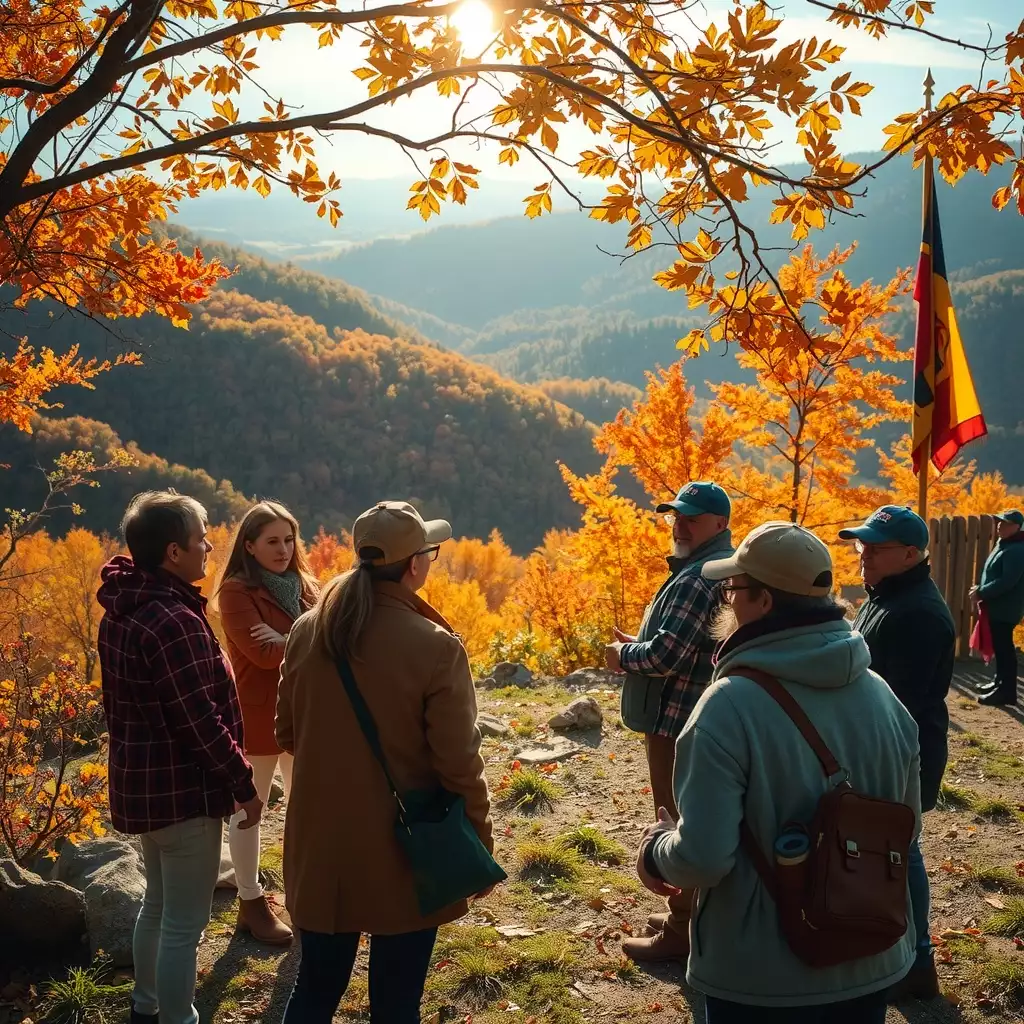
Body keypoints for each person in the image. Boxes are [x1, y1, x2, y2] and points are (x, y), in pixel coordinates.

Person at [636, 522, 920, 1023]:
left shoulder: (727, 707)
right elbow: (907, 827)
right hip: (869, 954)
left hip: (760, 978)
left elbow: (703, 860)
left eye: (733, 589)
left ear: (763, 602)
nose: (726, 601)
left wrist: (656, 851)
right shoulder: (883, 695)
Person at [277, 501, 495, 1024]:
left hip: (320, 845)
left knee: (313, 991)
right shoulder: (435, 646)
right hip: (404, 850)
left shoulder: (307, 629)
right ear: (415, 565)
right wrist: (479, 839)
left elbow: (284, 732)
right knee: (396, 1004)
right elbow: (458, 762)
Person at [97, 492, 261, 1024]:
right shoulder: (173, 621)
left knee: (158, 907)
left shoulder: (125, 608)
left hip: (142, 785)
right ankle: (177, 1018)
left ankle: (145, 1008)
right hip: (182, 792)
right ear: (173, 551)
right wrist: (242, 781)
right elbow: (198, 722)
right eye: (201, 538)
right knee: (185, 926)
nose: (209, 545)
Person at [604, 481, 733, 962]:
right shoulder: (715, 568)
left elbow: (666, 655)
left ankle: (681, 931)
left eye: (691, 517)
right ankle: (695, 915)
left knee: (675, 822)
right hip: (694, 714)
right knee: (696, 818)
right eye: (675, 515)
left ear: (719, 524)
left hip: (675, 719)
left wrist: (623, 654)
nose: (679, 523)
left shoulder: (698, 577)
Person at [839, 505, 954, 1001]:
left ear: (911, 554)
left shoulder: (918, 614)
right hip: (883, 745)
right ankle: (888, 949)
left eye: (876, 548)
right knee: (886, 849)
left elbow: (898, 701)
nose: (863, 555)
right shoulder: (887, 596)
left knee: (901, 850)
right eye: (861, 545)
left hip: (902, 750)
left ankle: (918, 961)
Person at [214, 501, 320, 945]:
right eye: (272, 541)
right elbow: (260, 654)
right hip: (257, 717)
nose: (282, 549)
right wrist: (306, 635)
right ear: (250, 546)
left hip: (306, 711)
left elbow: (333, 638)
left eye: (288, 539)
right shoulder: (237, 592)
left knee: (305, 807)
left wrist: (289, 636)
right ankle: (251, 902)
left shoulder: (307, 586)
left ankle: (304, 895)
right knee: (249, 811)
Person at [970, 509, 1024, 707]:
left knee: (1004, 649)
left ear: (1017, 527)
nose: (1000, 525)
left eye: (1006, 523)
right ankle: (999, 682)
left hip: (1006, 609)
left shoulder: (1018, 549)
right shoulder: (1005, 544)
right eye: (1000, 522)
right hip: (997, 607)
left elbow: (1007, 581)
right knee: (1001, 647)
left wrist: (982, 592)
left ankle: (1007, 692)